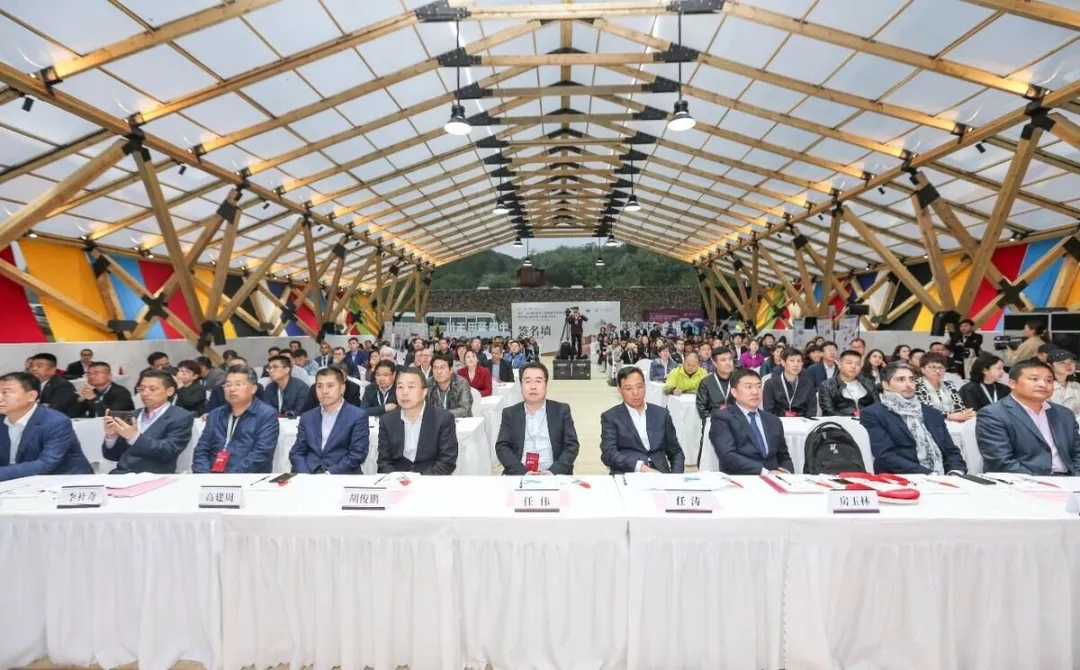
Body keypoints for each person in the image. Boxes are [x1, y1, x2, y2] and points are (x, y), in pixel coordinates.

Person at [861, 361, 967, 475]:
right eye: (901, 379)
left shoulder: (932, 413)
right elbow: (886, 456)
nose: (908, 384)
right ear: (886, 385)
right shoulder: (874, 414)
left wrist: (955, 472)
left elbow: (951, 450)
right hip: (903, 478)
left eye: (911, 379)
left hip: (944, 477)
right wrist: (930, 474)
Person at [976, 359, 1080, 475]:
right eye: (1034, 379)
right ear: (1012, 383)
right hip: (1021, 481)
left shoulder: (1064, 414)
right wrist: (1041, 482)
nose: (1043, 384)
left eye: (1049, 380)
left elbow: (1077, 453)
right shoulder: (993, 414)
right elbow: (1001, 462)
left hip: (1069, 480)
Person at [0, 371, 92, 481]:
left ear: (31, 396)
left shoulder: (55, 421)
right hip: (16, 480)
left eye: (5, 393)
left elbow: (46, 464)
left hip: (62, 480)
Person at [102, 369, 194, 474]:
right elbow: (113, 456)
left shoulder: (180, 417)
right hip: (121, 474)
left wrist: (134, 437)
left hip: (155, 475)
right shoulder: (133, 415)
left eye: (152, 389)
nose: (145, 393)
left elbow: (168, 452)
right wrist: (111, 436)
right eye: (142, 389)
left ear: (169, 391)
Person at [495, 362, 580, 475]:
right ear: (521, 385)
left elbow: (572, 446)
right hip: (519, 474)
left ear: (546, 384)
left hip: (554, 474)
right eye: (527, 381)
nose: (533, 387)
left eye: (538, 381)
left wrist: (553, 472)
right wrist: (522, 472)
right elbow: (502, 447)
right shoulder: (510, 413)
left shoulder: (561, 410)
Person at [191, 365, 279, 474]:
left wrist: (230, 477)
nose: (232, 389)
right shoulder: (215, 414)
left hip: (247, 478)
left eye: (238, 384)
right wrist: (204, 474)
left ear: (253, 389)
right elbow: (201, 450)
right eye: (228, 385)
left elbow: (261, 454)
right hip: (210, 477)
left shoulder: (266, 415)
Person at [600, 367, 684, 474]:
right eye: (629, 388)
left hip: (660, 473)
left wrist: (675, 477)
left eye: (639, 387)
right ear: (620, 390)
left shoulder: (662, 414)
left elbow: (676, 452)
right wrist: (640, 467)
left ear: (645, 387)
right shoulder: (611, 417)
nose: (635, 393)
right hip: (627, 472)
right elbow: (608, 454)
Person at [710, 368, 793, 475]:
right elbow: (728, 456)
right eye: (749, 387)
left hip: (775, 478)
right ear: (734, 392)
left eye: (759, 386)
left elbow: (784, 456)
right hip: (742, 479)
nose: (755, 392)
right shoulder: (722, 418)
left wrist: (786, 472)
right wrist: (765, 472)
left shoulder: (773, 420)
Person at [377, 367, 458, 474]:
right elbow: (384, 462)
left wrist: (420, 480)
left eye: (411, 387)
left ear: (424, 392)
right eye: (400, 387)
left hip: (431, 478)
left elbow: (447, 461)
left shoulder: (443, 419)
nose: (405, 392)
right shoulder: (387, 420)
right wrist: (398, 479)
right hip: (397, 479)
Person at [289, 367, 369, 475]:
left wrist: (328, 474)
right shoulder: (307, 417)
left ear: (342, 388)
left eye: (330, 386)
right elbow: (297, 452)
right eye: (319, 386)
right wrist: (305, 474)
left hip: (342, 476)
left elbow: (357, 454)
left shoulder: (357, 416)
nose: (324, 391)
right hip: (309, 475)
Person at [819, 349, 878, 417]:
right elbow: (829, 412)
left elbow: (877, 407)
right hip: (840, 422)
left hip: (868, 420)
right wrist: (852, 420)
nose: (853, 366)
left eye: (858, 364)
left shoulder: (869, 383)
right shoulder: (827, 385)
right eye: (849, 363)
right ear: (840, 364)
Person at [915, 352, 972, 421]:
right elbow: (924, 411)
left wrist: (967, 413)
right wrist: (948, 416)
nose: (938, 371)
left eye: (941, 367)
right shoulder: (916, 386)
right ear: (923, 369)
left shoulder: (949, 385)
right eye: (933, 367)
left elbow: (959, 407)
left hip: (954, 423)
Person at [763, 349, 815, 417]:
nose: (796, 364)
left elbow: (812, 410)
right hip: (778, 420)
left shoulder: (808, 384)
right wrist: (784, 415)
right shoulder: (770, 384)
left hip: (803, 421)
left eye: (799, 361)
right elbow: (768, 410)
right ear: (783, 362)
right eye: (792, 360)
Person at [27, 353, 80, 418]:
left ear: (52, 370)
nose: (34, 369)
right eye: (31, 366)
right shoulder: (29, 384)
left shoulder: (63, 385)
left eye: (39, 366)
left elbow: (54, 408)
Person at [696, 348, 736, 421]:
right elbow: (702, 410)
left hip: (736, 421)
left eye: (730, 359)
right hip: (714, 422)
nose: (728, 363)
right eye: (723, 360)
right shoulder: (706, 382)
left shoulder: (739, 380)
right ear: (715, 363)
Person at [1048, 348, 1080, 416]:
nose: (1069, 365)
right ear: (1050, 366)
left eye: (1071, 361)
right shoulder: (1045, 387)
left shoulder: (1076, 385)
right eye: (1062, 362)